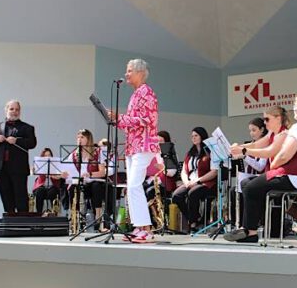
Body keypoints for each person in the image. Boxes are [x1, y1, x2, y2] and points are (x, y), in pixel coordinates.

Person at [225, 92, 297, 243]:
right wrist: (242, 148)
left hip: (296, 178)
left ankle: (251, 231)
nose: (294, 108)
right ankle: (250, 228)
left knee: (250, 187)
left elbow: (283, 156)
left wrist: (274, 165)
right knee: (249, 185)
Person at [108, 59, 161, 243]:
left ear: (140, 73)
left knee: (134, 186)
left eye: (129, 71)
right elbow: (132, 123)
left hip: (144, 145)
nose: (126, 74)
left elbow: (146, 119)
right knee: (132, 187)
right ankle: (140, 228)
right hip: (134, 146)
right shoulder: (136, 94)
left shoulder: (146, 92)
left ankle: (146, 229)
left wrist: (121, 117)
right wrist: (117, 120)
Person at [0, 100, 37, 213]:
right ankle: (9, 221)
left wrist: (17, 141)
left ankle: (23, 222)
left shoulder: (27, 128)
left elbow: (32, 143)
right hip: (1, 168)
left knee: (21, 197)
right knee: (6, 197)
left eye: (17, 109)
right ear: (6, 110)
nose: (14, 112)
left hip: (18, 169)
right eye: (11, 109)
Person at [171, 127, 217, 233]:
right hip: (190, 181)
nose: (193, 138)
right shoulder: (190, 152)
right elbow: (183, 170)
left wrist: (198, 181)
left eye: (196, 135)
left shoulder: (209, 151)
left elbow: (214, 172)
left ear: (202, 136)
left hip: (205, 182)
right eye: (192, 136)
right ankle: (194, 219)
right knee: (176, 196)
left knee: (193, 193)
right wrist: (186, 182)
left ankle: (193, 224)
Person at [64, 129, 107, 230]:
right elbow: (66, 168)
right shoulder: (74, 154)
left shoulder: (97, 152)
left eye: (82, 137)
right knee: (72, 188)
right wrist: (64, 174)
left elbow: (102, 172)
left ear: (88, 139)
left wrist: (90, 174)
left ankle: (98, 218)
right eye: (78, 137)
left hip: (93, 181)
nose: (79, 139)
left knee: (96, 187)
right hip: (80, 182)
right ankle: (75, 216)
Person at [31, 147, 62, 213]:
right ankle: (39, 213)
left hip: (52, 186)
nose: (48, 157)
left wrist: (51, 175)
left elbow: (59, 177)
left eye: (49, 155)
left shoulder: (55, 164)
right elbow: (32, 172)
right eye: (45, 156)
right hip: (41, 186)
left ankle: (54, 214)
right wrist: (33, 169)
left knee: (52, 193)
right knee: (39, 192)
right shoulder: (40, 164)